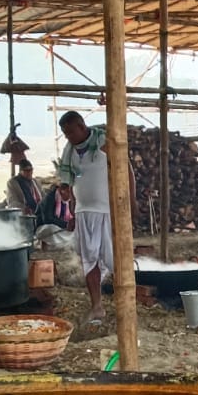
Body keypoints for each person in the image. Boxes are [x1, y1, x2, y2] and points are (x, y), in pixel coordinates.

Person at [55, 110, 115, 325]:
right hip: (82, 211)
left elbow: (125, 169)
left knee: (115, 259)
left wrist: (131, 202)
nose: (68, 136)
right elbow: (70, 183)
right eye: (64, 133)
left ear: (81, 126)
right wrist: (70, 209)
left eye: (70, 131)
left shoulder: (103, 143)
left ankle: (128, 302)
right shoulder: (70, 151)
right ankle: (97, 307)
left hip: (107, 211)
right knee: (88, 261)